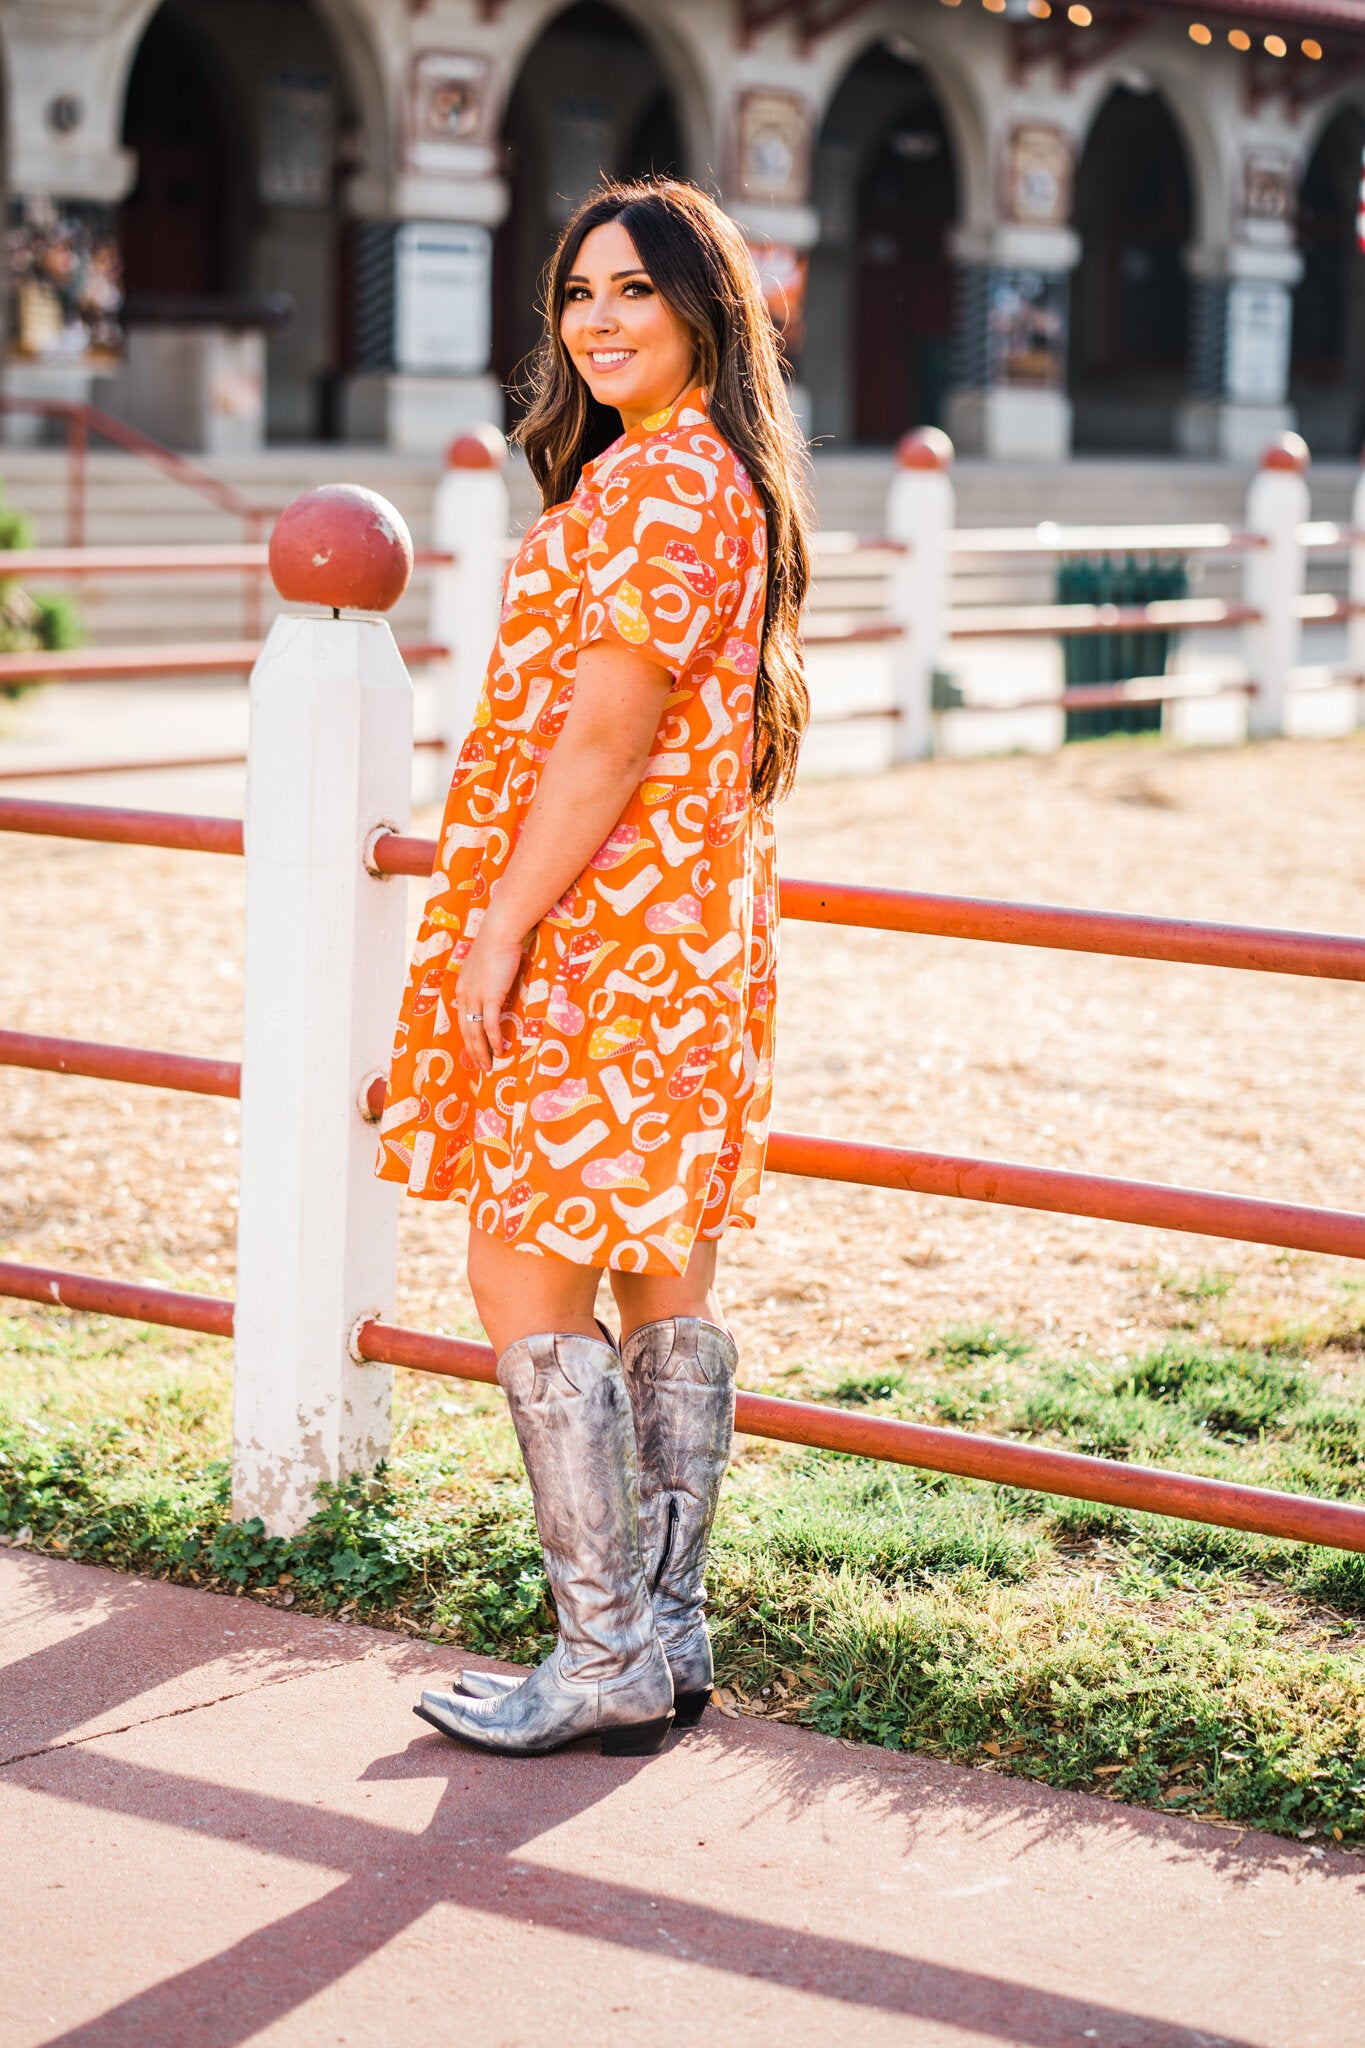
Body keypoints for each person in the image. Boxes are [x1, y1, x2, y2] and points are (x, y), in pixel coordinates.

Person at [377, 178, 811, 1757]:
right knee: (653, 1267)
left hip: (602, 936)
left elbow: (608, 734)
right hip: (675, 932)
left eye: (634, 288)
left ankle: (606, 1646)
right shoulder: (699, 478)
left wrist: (497, 928)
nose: (600, 319)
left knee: (520, 1265)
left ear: (708, 307)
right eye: (577, 294)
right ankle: (664, 1636)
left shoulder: (664, 488)